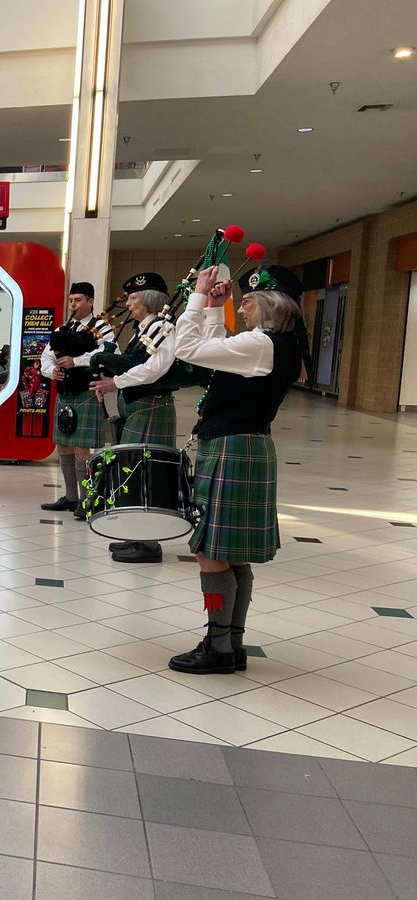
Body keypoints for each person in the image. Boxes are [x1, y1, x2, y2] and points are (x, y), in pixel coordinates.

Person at [167, 263, 305, 675]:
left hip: (231, 449)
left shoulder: (260, 345)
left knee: (210, 555)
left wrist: (197, 296)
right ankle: (231, 641)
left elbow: (187, 349)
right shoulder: (271, 345)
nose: (241, 311)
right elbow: (214, 355)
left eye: (246, 303)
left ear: (268, 305)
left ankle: (217, 644)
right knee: (234, 558)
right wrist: (217, 306)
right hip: (247, 445)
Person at [89, 272, 178, 564]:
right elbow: (134, 365)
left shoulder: (163, 328)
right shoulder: (145, 329)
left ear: (150, 299)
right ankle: (137, 536)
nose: (128, 303)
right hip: (138, 406)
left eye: (133, 298)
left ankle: (149, 544)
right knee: (133, 471)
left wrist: (116, 383)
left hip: (151, 407)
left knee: (146, 473)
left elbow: (157, 368)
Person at [39, 282, 115, 519]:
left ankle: (87, 500)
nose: (73, 304)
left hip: (87, 393)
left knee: (83, 450)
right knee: (64, 447)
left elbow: (109, 354)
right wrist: (52, 371)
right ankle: (71, 497)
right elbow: (46, 356)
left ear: (91, 302)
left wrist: (77, 361)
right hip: (65, 393)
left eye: (78, 300)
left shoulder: (102, 327)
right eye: (71, 300)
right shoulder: (63, 328)